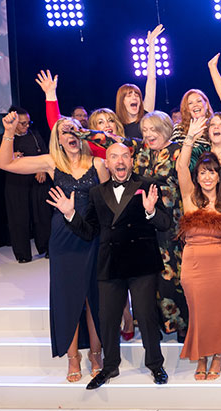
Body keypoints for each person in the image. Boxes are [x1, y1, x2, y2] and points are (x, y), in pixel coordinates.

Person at [0, 112, 108, 382]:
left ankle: (96, 353)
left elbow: (109, 205)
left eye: (75, 129)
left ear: (82, 134)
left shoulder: (98, 163)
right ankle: (73, 357)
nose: (70, 134)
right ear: (58, 139)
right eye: (64, 131)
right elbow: (5, 163)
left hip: (92, 236)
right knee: (67, 296)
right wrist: (9, 132)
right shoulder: (51, 162)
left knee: (93, 297)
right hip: (63, 238)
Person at [51, 142, 171, 389]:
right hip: (110, 264)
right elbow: (89, 231)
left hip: (141, 263)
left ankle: (156, 365)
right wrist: (70, 215)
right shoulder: (97, 192)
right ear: (107, 163)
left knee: (146, 316)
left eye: (124, 156)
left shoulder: (147, 184)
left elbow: (165, 223)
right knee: (107, 318)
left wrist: (150, 212)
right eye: (114, 156)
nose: (120, 161)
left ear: (131, 161)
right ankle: (109, 366)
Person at [79, 111, 188, 340]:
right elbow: (109, 140)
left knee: (170, 276)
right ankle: (152, 326)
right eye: (145, 130)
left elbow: (189, 186)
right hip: (141, 222)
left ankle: (178, 324)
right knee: (146, 276)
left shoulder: (178, 151)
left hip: (168, 222)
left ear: (165, 129)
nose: (148, 134)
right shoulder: (139, 150)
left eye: (153, 129)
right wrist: (81, 132)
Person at [176, 134, 221, 381]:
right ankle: (201, 356)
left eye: (212, 172)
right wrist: (189, 139)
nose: (207, 177)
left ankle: (217, 356)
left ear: (218, 176)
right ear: (197, 176)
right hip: (193, 265)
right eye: (203, 172)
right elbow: (181, 166)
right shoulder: (189, 197)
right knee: (198, 312)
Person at [0, 106, 51, 263]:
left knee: (43, 215)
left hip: (38, 181)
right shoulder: (3, 138)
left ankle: (47, 247)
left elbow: (46, 155)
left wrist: (43, 170)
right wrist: (11, 156)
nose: (27, 126)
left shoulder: (35, 135)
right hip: (16, 184)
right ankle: (22, 254)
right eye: (23, 123)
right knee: (19, 218)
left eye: (28, 122)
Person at [115, 24, 162, 139]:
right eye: (129, 95)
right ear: (121, 101)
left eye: (137, 95)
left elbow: (151, 78)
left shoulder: (146, 115)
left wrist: (151, 45)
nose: (134, 97)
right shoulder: (117, 125)